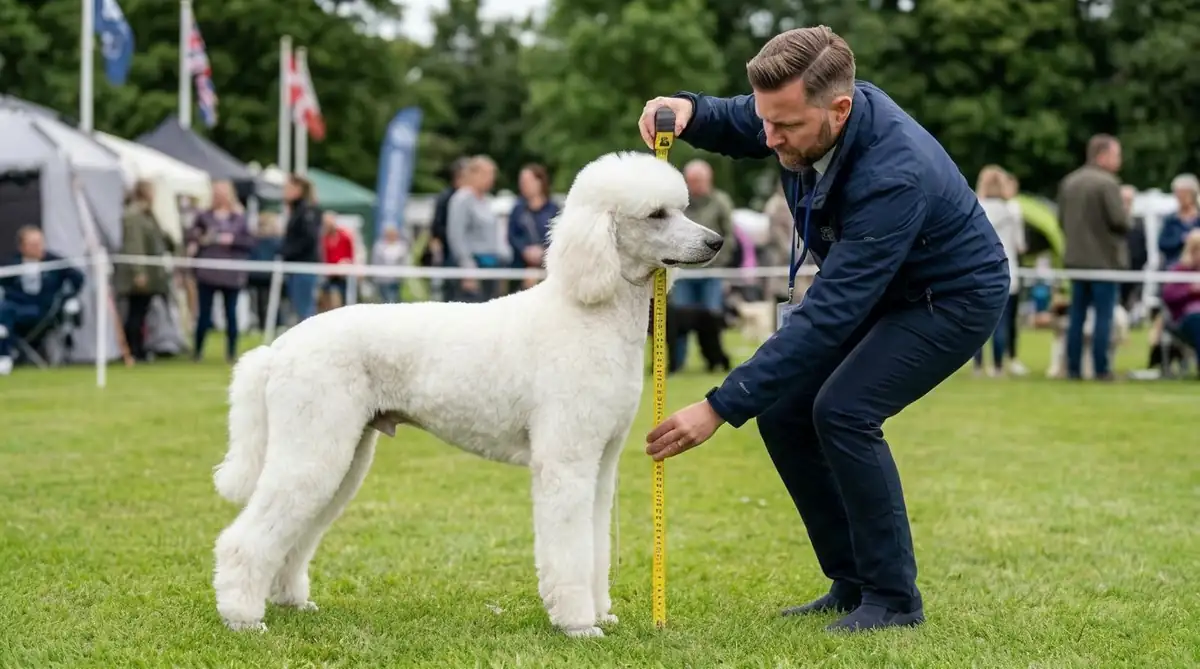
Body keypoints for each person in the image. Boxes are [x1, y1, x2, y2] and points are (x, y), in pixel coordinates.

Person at [637, 26, 1009, 632]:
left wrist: (718, 406)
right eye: (766, 120)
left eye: (785, 128)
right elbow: (733, 117)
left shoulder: (894, 173)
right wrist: (686, 108)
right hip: (881, 287)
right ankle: (852, 580)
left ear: (839, 109)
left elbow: (830, 312)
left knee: (844, 411)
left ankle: (893, 601)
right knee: (784, 411)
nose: (769, 137)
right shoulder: (789, 115)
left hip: (952, 297)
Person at [1056, 134, 1129, 381]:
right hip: (1103, 262)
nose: (1119, 160)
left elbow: (1060, 220)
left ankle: (1073, 368)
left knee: (1076, 317)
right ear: (1103, 155)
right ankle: (1101, 369)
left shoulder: (1069, 182)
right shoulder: (1108, 183)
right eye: (1116, 154)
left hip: (1076, 261)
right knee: (1103, 317)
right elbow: (1120, 222)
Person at [187, 180, 254, 363]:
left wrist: (232, 240)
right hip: (207, 272)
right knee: (203, 314)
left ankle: (231, 353)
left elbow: (250, 243)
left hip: (231, 273)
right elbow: (192, 237)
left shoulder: (240, 218)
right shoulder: (203, 216)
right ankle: (197, 351)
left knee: (231, 314)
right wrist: (203, 239)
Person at [115, 180, 172, 361]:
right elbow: (134, 245)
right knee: (135, 313)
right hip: (140, 274)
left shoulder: (148, 214)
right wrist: (139, 271)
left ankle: (139, 348)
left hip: (151, 272)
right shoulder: (133, 215)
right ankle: (133, 350)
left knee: (141, 313)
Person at [279, 174, 323, 322]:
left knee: (305, 312)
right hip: (297, 266)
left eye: (288, 188)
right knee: (300, 309)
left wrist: (286, 251)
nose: (284, 191)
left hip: (303, 266)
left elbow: (308, 239)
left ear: (298, 189)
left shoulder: (306, 211)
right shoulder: (299, 210)